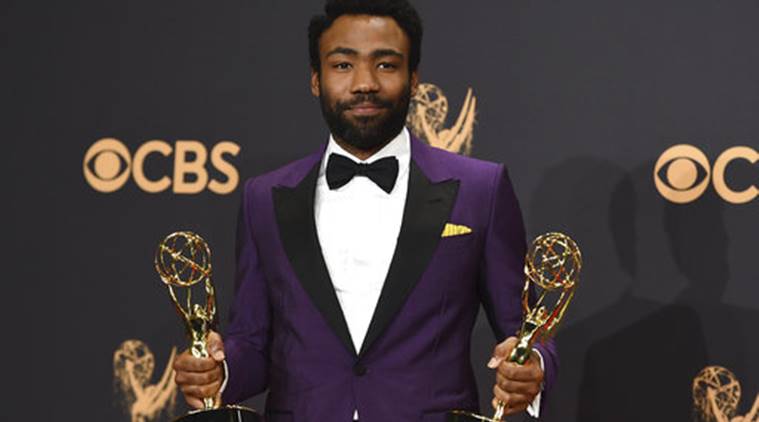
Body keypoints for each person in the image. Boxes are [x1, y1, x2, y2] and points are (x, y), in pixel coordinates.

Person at [173, 1, 557, 421]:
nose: (364, 84)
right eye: (343, 65)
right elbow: (253, 341)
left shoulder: (481, 189)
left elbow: (525, 329)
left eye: (386, 65)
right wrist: (219, 371)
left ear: (414, 78)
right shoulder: (264, 198)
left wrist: (531, 365)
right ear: (316, 79)